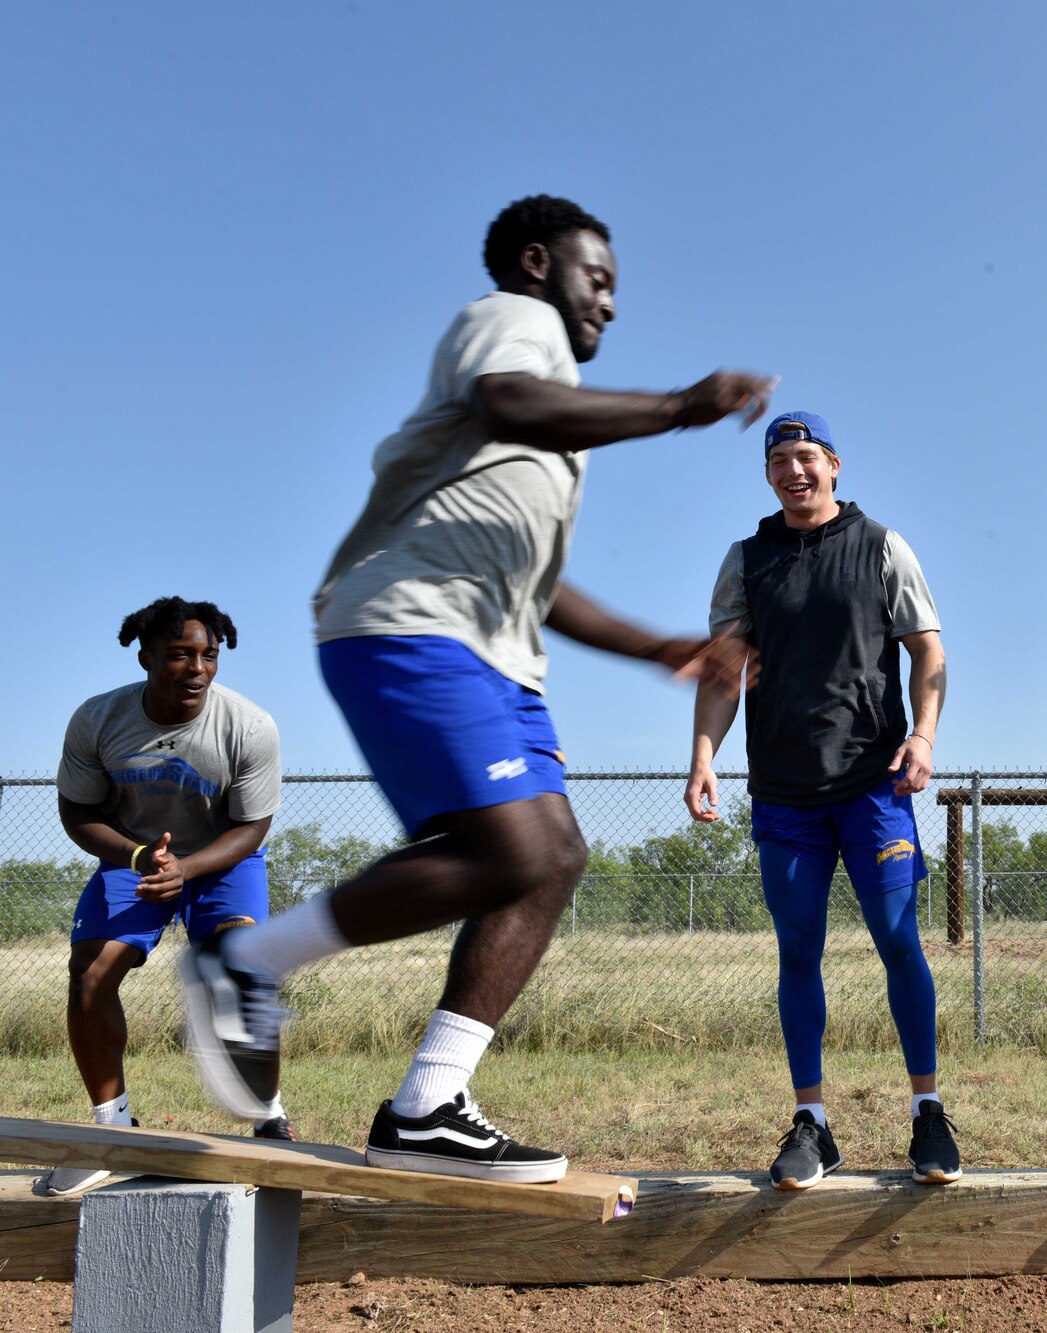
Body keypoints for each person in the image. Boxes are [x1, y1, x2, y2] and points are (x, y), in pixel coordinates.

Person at [179, 195, 772, 1181]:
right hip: (406, 621)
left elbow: (544, 588)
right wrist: (678, 407)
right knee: (510, 846)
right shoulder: (513, 321)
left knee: (552, 857)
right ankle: (245, 961)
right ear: (539, 263)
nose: (610, 306)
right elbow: (506, 399)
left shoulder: (560, 445)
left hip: (496, 656)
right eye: (600, 281)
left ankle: (429, 1102)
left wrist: (663, 647)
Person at [684, 410, 957, 1190]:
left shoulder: (880, 546)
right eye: (779, 460)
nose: (793, 471)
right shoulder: (747, 560)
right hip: (783, 792)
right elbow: (721, 669)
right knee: (797, 950)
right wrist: (703, 756)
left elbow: (928, 646)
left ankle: (928, 1112)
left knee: (899, 940)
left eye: (806, 457)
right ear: (768, 474)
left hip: (874, 782)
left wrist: (925, 737)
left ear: (834, 464)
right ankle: (814, 1122)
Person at [44, 598, 290, 1196]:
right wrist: (135, 857)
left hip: (222, 857)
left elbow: (252, 828)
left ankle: (269, 1117)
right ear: (147, 656)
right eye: (181, 654)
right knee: (91, 973)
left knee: (240, 970)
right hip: (136, 856)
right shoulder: (99, 720)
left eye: (209, 656)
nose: (197, 668)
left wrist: (187, 867)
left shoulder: (249, 726)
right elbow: (77, 811)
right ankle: (115, 1131)